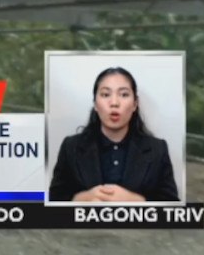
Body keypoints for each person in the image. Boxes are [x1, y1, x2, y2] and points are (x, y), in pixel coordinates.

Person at [47, 66, 180, 203]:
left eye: (124, 95)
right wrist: (80, 199)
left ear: (135, 104)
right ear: (95, 105)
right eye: (105, 95)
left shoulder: (157, 149)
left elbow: (172, 208)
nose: (114, 103)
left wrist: (137, 201)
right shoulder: (71, 147)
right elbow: (54, 200)